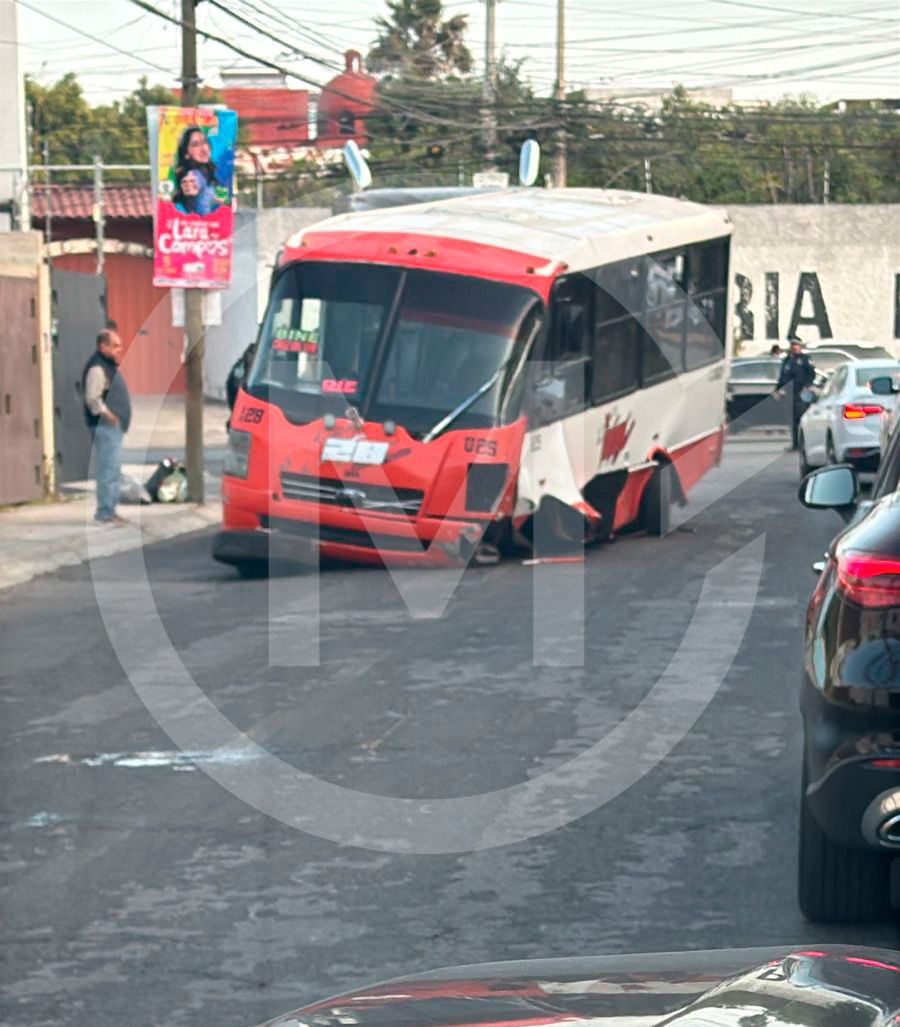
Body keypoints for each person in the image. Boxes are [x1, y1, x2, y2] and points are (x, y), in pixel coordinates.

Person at [82, 328, 132, 524]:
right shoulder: (97, 367)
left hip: (113, 427)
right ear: (103, 346)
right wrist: (109, 416)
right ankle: (105, 512)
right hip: (105, 427)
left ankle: (110, 509)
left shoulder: (108, 365)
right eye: (115, 345)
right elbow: (92, 398)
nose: (119, 349)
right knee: (108, 470)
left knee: (113, 469)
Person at [775, 335, 816, 450]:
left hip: (800, 393)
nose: (794, 347)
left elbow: (811, 374)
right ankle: (795, 444)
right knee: (792, 419)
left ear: (800, 346)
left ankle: (803, 444)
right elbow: (782, 376)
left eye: (796, 345)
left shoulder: (804, 359)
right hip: (789, 393)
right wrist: (777, 389)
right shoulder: (787, 360)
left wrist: (807, 386)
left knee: (800, 417)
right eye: (792, 345)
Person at [172, 125, 221, 215]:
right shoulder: (194, 174)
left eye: (204, 142)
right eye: (195, 145)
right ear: (186, 154)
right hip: (199, 226)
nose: (203, 149)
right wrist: (191, 186)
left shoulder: (208, 171)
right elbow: (192, 180)